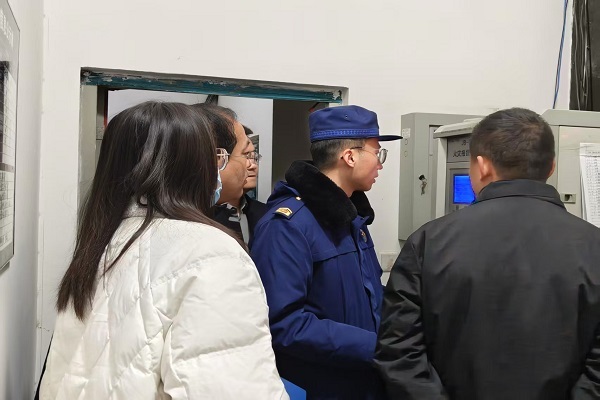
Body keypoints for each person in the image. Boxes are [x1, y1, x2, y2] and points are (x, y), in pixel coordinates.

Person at [40, 102, 288, 400]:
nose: (233, 166)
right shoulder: (213, 253)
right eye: (217, 157)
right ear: (197, 165)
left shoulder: (102, 242)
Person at [375, 108, 600, 400]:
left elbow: (399, 353)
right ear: (551, 167)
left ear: (482, 166)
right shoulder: (593, 245)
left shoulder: (428, 242)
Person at [251, 105, 402, 399]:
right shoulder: (288, 226)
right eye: (378, 153)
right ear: (350, 156)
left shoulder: (352, 218)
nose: (380, 164)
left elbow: (367, 294)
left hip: (364, 381)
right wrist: (379, 346)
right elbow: (284, 324)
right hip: (321, 387)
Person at [191, 105, 266, 244]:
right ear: (219, 157)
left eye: (254, 157)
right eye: (245, 154)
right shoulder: (192, 227)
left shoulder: (266, 215)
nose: (251, 165)